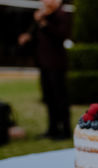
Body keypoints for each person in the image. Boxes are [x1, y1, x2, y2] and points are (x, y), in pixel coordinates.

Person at [18, 0, 71, 139]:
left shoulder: (62, 14)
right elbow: (39, 38)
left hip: (56, 64)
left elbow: (61, 35)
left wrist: (43, 23)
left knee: (60, 98)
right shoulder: (44, 16)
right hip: (44, 64)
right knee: (49, 98)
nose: (43, 2)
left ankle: (65, 130)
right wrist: (28, 38)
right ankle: (52, 128)